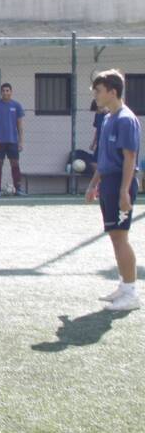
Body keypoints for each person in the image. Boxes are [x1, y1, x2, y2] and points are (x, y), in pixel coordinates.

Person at [85, 69, 141, 311]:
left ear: (112, 91)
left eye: (98, 91)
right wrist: (93, 183)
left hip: (120, 182)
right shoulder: (108, 118)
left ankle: (131, 294)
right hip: (108, 182)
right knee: (115, 237)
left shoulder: (126, 119)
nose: (95, 95)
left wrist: (124, 191)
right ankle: (123, 286)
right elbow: (105, 157)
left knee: (121, 237)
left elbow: (130, 158)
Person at [0, 82, 25, 197]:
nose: (5, 92)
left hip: (13, 141)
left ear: (11, 92)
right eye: (3, 91)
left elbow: (19, 125)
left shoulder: (17, 105)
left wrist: (21, 141)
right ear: (1, 92)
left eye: (7, 90)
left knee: (15, 163)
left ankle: (18, 189)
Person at [89, 99, 106, 167]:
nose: (96, 112)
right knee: (94, 163)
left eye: (97, 110)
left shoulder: (109, 115)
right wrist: (93, 143)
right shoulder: (97, 115)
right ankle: (98, 177)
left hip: (106, 144)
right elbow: (97, 129)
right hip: (99, 143)